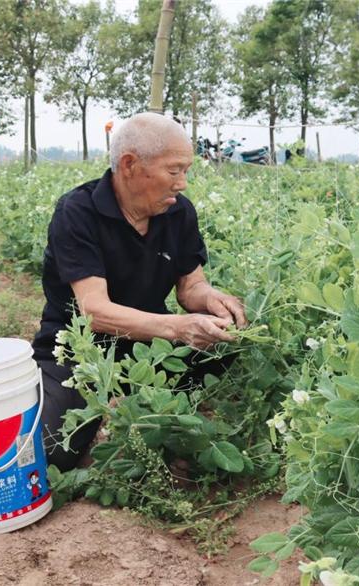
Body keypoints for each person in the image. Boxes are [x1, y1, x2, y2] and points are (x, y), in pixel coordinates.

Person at [32, 112, 248, 471]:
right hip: (79, 354)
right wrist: (178, 327)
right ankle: (97, 409)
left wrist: (212, 300)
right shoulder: (78, 212)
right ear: (130, 165)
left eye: (186, 171)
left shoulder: (178, 214)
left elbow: (190, 286)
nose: (183, 183)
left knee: (223, 337)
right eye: (175, 170)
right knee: (56, 453)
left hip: (149, 348)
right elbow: (95, 312)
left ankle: (159, 416)